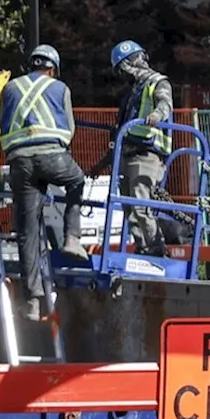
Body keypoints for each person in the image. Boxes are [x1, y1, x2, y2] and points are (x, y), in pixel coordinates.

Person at [0, 44, 87, 321]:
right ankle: (72, 238)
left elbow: (3, 124)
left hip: (20, 162)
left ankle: (33, 301)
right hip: (52, 156)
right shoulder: (59, 88)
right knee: (76, 181)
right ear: (52, 69)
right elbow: (69, 130)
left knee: (28, 231)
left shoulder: (10, 88)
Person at [89, 40, 173, 258]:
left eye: (124, 67)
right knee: (128, 207)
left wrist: (156, 115)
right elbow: (121, 134)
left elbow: (165, 104)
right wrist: (101, 165)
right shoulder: (131, 94)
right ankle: (143, 247)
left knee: (140, 203)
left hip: (147, 154)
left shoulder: (158, 82)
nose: (124, 73)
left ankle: (156, 250)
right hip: (126, 154)